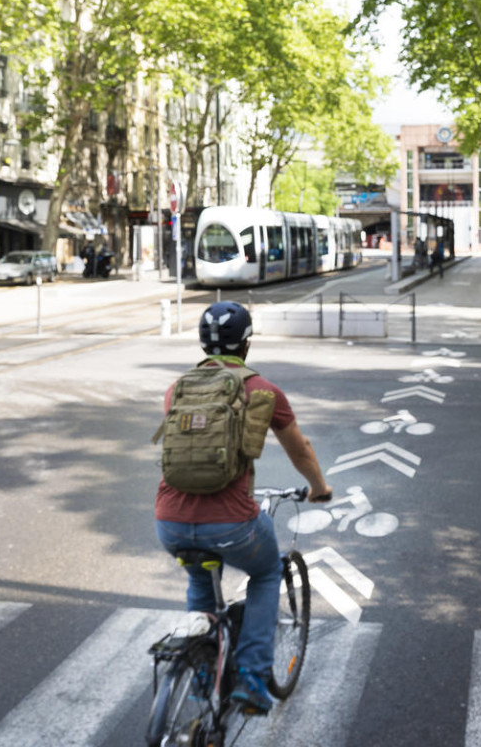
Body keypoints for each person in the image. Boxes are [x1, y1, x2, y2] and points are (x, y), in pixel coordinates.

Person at [154, 301, 332, 714]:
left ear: (203, 343)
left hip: (170, 523)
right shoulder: (263, 390)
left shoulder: (176, 389)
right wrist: (319, 487)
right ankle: (252, 681)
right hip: (231, 525)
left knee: (200, 582)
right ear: (246, 344)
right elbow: (300, 450)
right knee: (267, 572)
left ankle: (200, 681)